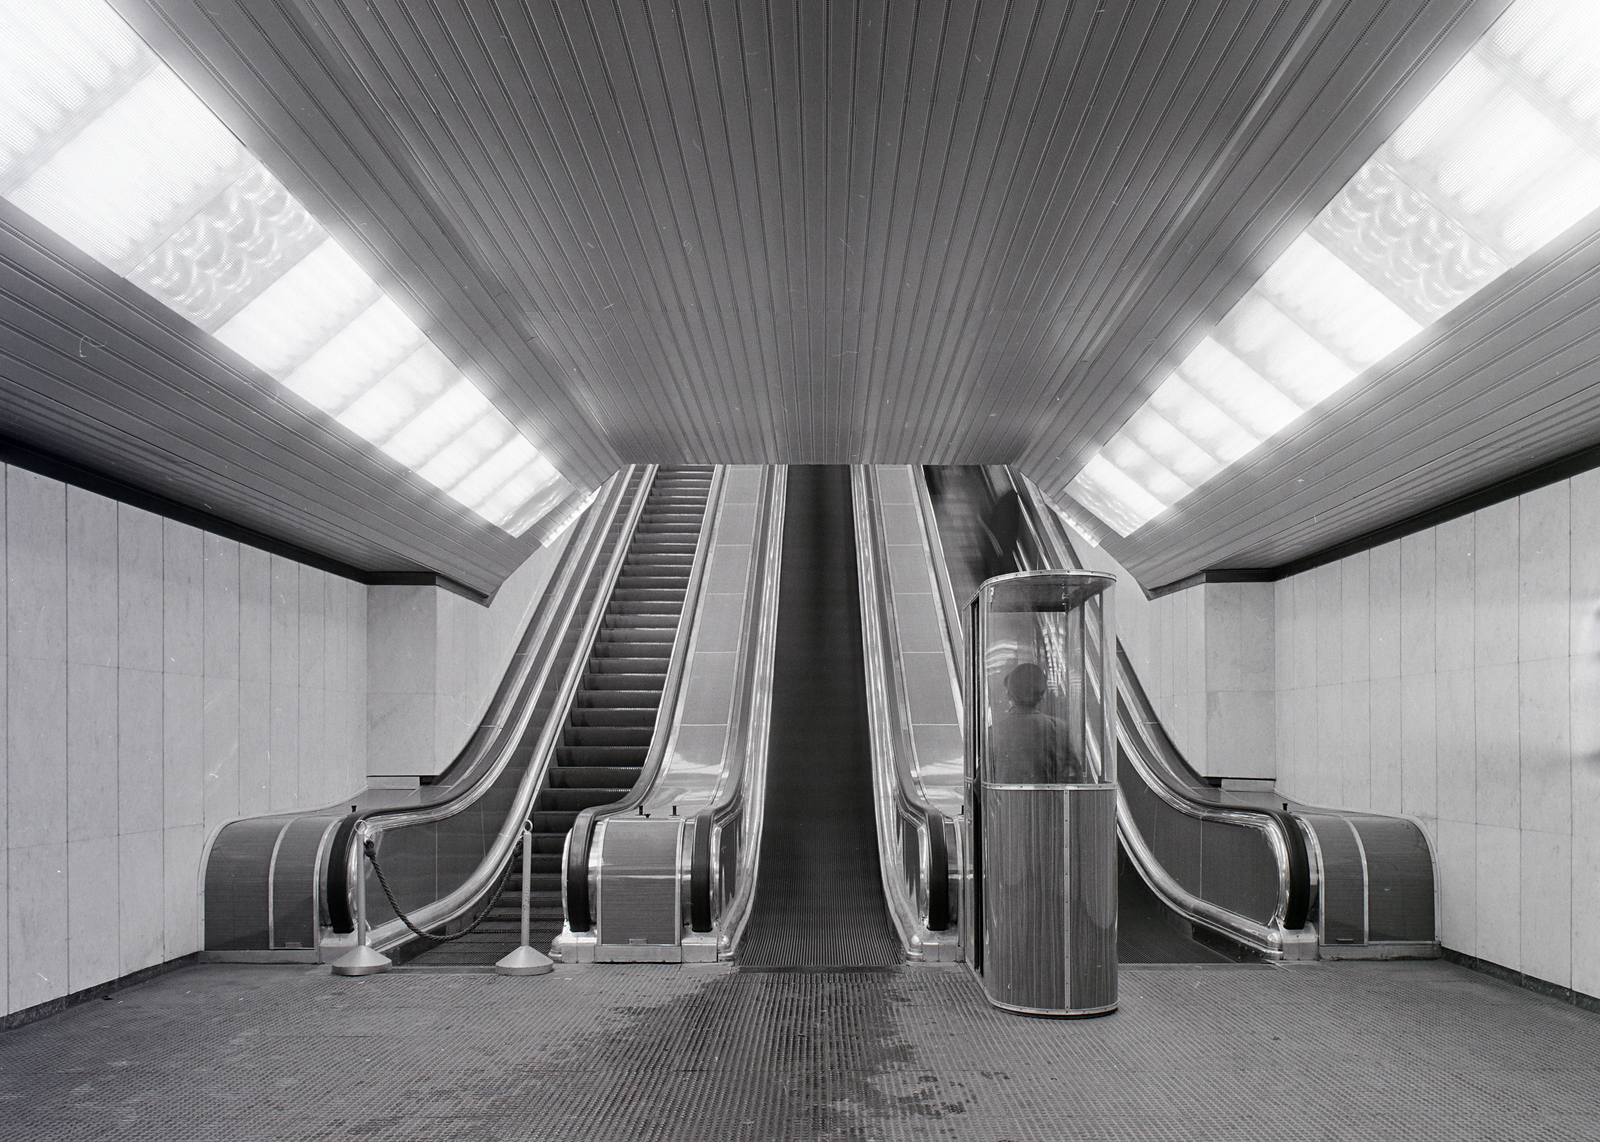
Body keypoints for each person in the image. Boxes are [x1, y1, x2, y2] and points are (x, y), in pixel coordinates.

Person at [986, 662, 1082, 784]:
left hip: (1008, 803)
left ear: (1008, 695)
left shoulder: (993, 732)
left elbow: (980, 788)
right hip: (1050, 802)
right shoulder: (1059, 728)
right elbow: (1075, 778)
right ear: (1043, 696)